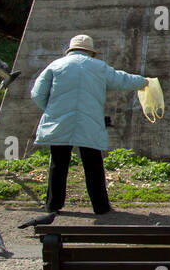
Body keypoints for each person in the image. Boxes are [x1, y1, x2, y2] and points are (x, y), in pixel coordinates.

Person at [30, 34, 150, 215]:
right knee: (93, 164)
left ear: (70, 50)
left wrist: (52, 110)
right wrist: (143, 81)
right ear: (90, 52)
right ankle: (100, 206)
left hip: (59, 121)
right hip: (89, 122)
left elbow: (37, 94)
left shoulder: (55, 65)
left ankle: (53, 205)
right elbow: (121, 80)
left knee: (58, 163)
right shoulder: (99, 67)